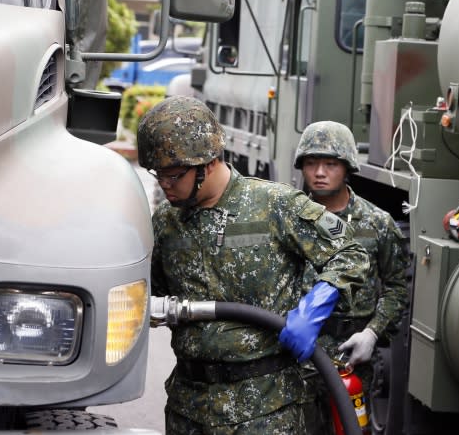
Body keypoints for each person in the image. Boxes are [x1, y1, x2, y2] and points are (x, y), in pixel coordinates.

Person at [136, 96, 369, 435]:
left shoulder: (275, 205)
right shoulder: (167, 221)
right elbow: (152, 292)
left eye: (174, 174)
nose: (164, 184)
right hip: (189, 407)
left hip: (267, 410)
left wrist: (315, 307)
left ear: (209, 162)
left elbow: (350, 254)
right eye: (158, 175)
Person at [294, 121, 410, 434]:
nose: (319, 172)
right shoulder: (288, 219)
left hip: (353, 357)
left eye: (330, 164)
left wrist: (372, 333)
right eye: (311, 163)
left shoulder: (377, 223)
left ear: (347, 169)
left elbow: (398, 287)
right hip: (297, 357)